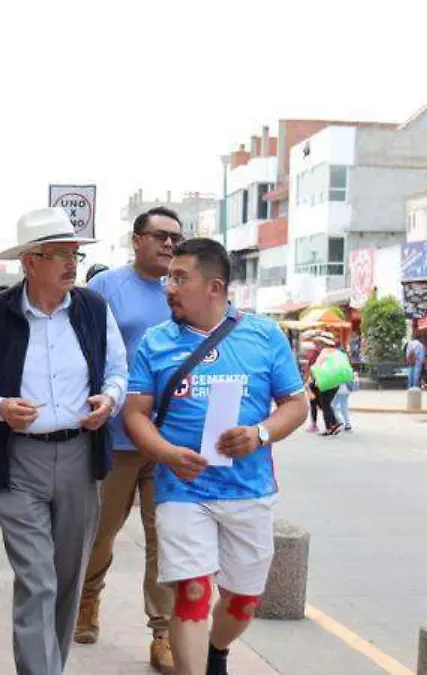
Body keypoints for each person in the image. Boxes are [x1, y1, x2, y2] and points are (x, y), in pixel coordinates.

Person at [0, 206, 127, 675]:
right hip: (18, 461)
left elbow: (116, 371)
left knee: (68, 581)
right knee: (38, 580)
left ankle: (51, 666)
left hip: (78, 456)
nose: (72, 264)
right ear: (30, 262)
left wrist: (108, 401)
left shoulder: (92, 309)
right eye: (59, 255)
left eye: (75, 253)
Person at [125, 238, 308, 675]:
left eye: (180, 278)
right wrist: (167, 453)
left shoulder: (263, 335)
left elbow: (296, 405)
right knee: (191, 591)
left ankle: (217, 651)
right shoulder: (156, 342)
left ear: (214, 286)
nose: (169, 286)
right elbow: (135, 415)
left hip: (247, 488)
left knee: (243, 601)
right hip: (181, 489)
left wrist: (259, 434)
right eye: (169, 277)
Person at [75, 207, 183, 673]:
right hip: (114, 438)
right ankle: (86, 600)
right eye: (160, 236)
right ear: (136, 239)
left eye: (176, 238)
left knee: (167, 540)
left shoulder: (184, 288)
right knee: (101, 532)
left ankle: (163, 633)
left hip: (171, 439)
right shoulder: (105, 289)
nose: (169, 245)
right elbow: (80, 349)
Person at [306, 333, 344, 436]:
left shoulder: (324, 353)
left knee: (324, 404)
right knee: (324, 404)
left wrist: (310, 379)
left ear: (323, 344)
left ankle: (330, 426)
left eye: (318, 343)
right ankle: (334, 423)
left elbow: (316, 368)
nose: (316, 345)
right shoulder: (336, 352)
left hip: (324, 382)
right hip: (334, 382)